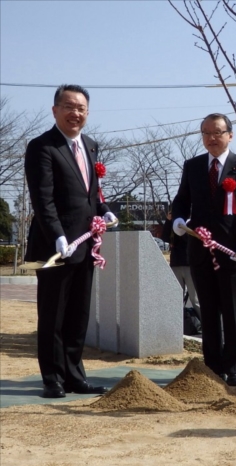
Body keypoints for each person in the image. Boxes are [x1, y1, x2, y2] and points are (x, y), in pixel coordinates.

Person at [24, 84, 118, 399]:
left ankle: (75, 375)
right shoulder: (41, 146)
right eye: (68, 106)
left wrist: (104, 211)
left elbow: (90, 193)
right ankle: (52, 378)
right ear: (55, 110)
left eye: (80, 108)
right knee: (52, 314)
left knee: (78, 313)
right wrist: (58, 236)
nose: (75, 113)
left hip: (86, 244)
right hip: (54, 247)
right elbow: (43, 199)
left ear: (87, 113)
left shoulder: (90, 145)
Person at [171, 113, 236, 387]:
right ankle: (212, 366)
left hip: (233, 251)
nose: (212, 138)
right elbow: (182, 199)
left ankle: (235, 366)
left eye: (218, 132)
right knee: (208, 310)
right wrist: (178, 219)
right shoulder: (193, 166)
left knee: (233, 312)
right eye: (206, 133)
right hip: (200, 249)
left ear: (230, 135)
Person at [161, 210, 201, 320]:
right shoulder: (174, 224)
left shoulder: (191, 223)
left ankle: (207, 324)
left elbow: (190, 240)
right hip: (175, 264)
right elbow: (165, 238)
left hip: (189, 264)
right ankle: (177, 323)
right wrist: (169, 221)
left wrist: (182, 226)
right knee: (176, 297)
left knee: (195, 298)